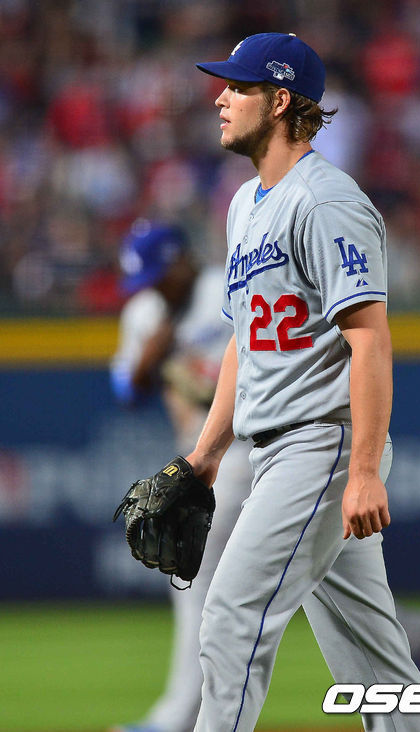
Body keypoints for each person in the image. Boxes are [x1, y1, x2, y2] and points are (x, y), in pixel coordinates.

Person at [173, 33, 420, 731]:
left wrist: (363, 471)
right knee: (375, 664)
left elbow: (369, 338)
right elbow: (244, 342)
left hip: (320, 446)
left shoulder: (325, 202)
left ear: (280, 101)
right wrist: (206, 453)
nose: (221, 97)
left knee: (231, 617)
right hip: (279, 451)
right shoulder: (244, 204)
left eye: (239, 86)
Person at [110, 219, 252, 732]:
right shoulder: (144, 313)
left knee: (195, 573)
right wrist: (147, 361)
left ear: (181, 262)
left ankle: (176, 720)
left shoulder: (227, 287)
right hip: (206, 451)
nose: (151, 288)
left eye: (157, 275)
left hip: (252, 442)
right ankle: (406, 635)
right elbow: (125, 390)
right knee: (309, 570)